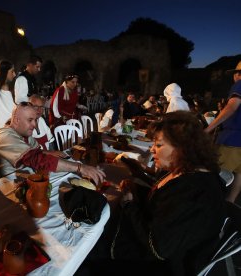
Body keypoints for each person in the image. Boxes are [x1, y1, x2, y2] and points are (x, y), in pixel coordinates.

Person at [79, 111, 226, 275]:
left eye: (159, 145)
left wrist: (129, 205)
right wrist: (136, 187)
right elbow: (165, 201)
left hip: (159, 264)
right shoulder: (188, 173)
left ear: (182, 148)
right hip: (157, 247)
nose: (153, 149)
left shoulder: (194, 190)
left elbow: (157, 248)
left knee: (85, 248)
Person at [0, 103, 105, 185]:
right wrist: (80, 168)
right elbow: (36, 158)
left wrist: (58, 155)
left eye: (36, 120)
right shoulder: (5, 136)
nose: (35, 125)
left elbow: (38, 152)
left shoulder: (24, 135)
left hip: (17, 183)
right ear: (16, 120)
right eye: (30, 120)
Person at [205, 61, 241, 203]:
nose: (236, 76)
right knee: (239, 176)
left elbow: (232, 107)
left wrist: (208, 128)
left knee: (213, 176)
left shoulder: (239, 84)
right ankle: (228, 205)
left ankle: (207, 207)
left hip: (232, 140)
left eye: (237, 73)